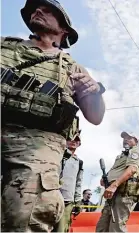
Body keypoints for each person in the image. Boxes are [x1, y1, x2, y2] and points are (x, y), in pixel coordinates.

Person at [1, 0, 106, 231]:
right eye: (35, 9)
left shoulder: (72, 67)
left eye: (48, 10)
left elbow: (96, 117)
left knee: (26, 210)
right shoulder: (4, 47)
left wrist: (94, 92)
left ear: (64, 30)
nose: (38, 11)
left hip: (37, 145)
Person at [95, 132, 139, 232]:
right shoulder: (121, 156)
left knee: (116, 228)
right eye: (124, 138)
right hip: (113, 195)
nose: (125, 139)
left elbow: (132, 169)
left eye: (129, 138)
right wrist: (107, 178)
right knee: (102, 227)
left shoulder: (135, 152)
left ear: (136, 141)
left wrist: (114, 185)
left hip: (123, 194)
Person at [54, 125, 84, 232]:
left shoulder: (79, 162)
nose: (73, 141)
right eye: (70, 139)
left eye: (76, 140)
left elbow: (78, 183)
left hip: (67, 201)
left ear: (79, 144)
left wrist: (77, 201)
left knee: (61, 230)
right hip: (50, 197)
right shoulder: (55, 154)